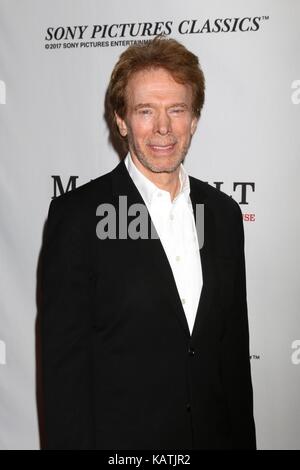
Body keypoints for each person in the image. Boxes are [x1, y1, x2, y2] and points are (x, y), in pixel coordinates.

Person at [41, 36, 256, 450]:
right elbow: (64, 376)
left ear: (194, 119)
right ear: (121, 120)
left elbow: (232, 361)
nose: (163, 127)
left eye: (177, 109)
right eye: (146, 111)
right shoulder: (79, 218)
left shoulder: (224, 216)